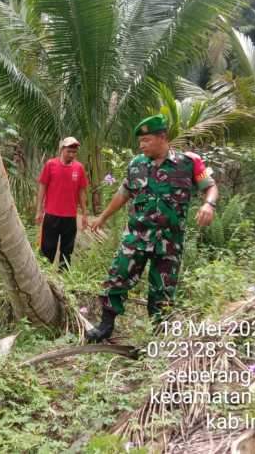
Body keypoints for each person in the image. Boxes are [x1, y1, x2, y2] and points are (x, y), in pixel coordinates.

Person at [86, 114, 218, 342]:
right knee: (117, 277)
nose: (141, 145)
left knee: (162, 291)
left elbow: (211, 187)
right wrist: (103, 217)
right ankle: (106, 326)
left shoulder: (189, 162)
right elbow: (123, 193)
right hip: (136, 237)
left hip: (169, 243)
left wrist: (208, 204)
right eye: (140, 141)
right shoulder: (136, 165)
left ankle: (157, 339)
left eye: (146, 140)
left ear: (162, 137)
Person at [35, 137, 89, 270]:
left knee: (67, 251)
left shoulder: (79, 168)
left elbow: (82, 192)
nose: (71, 154)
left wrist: (84, 214)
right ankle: (44, 277)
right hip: (52, 215)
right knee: (47, 250)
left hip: (70, 217)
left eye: (74, 152)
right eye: (69, 151)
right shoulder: (50, 165)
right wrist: (39, 211)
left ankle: (64, 281)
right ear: (61, 150)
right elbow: (42, 187)